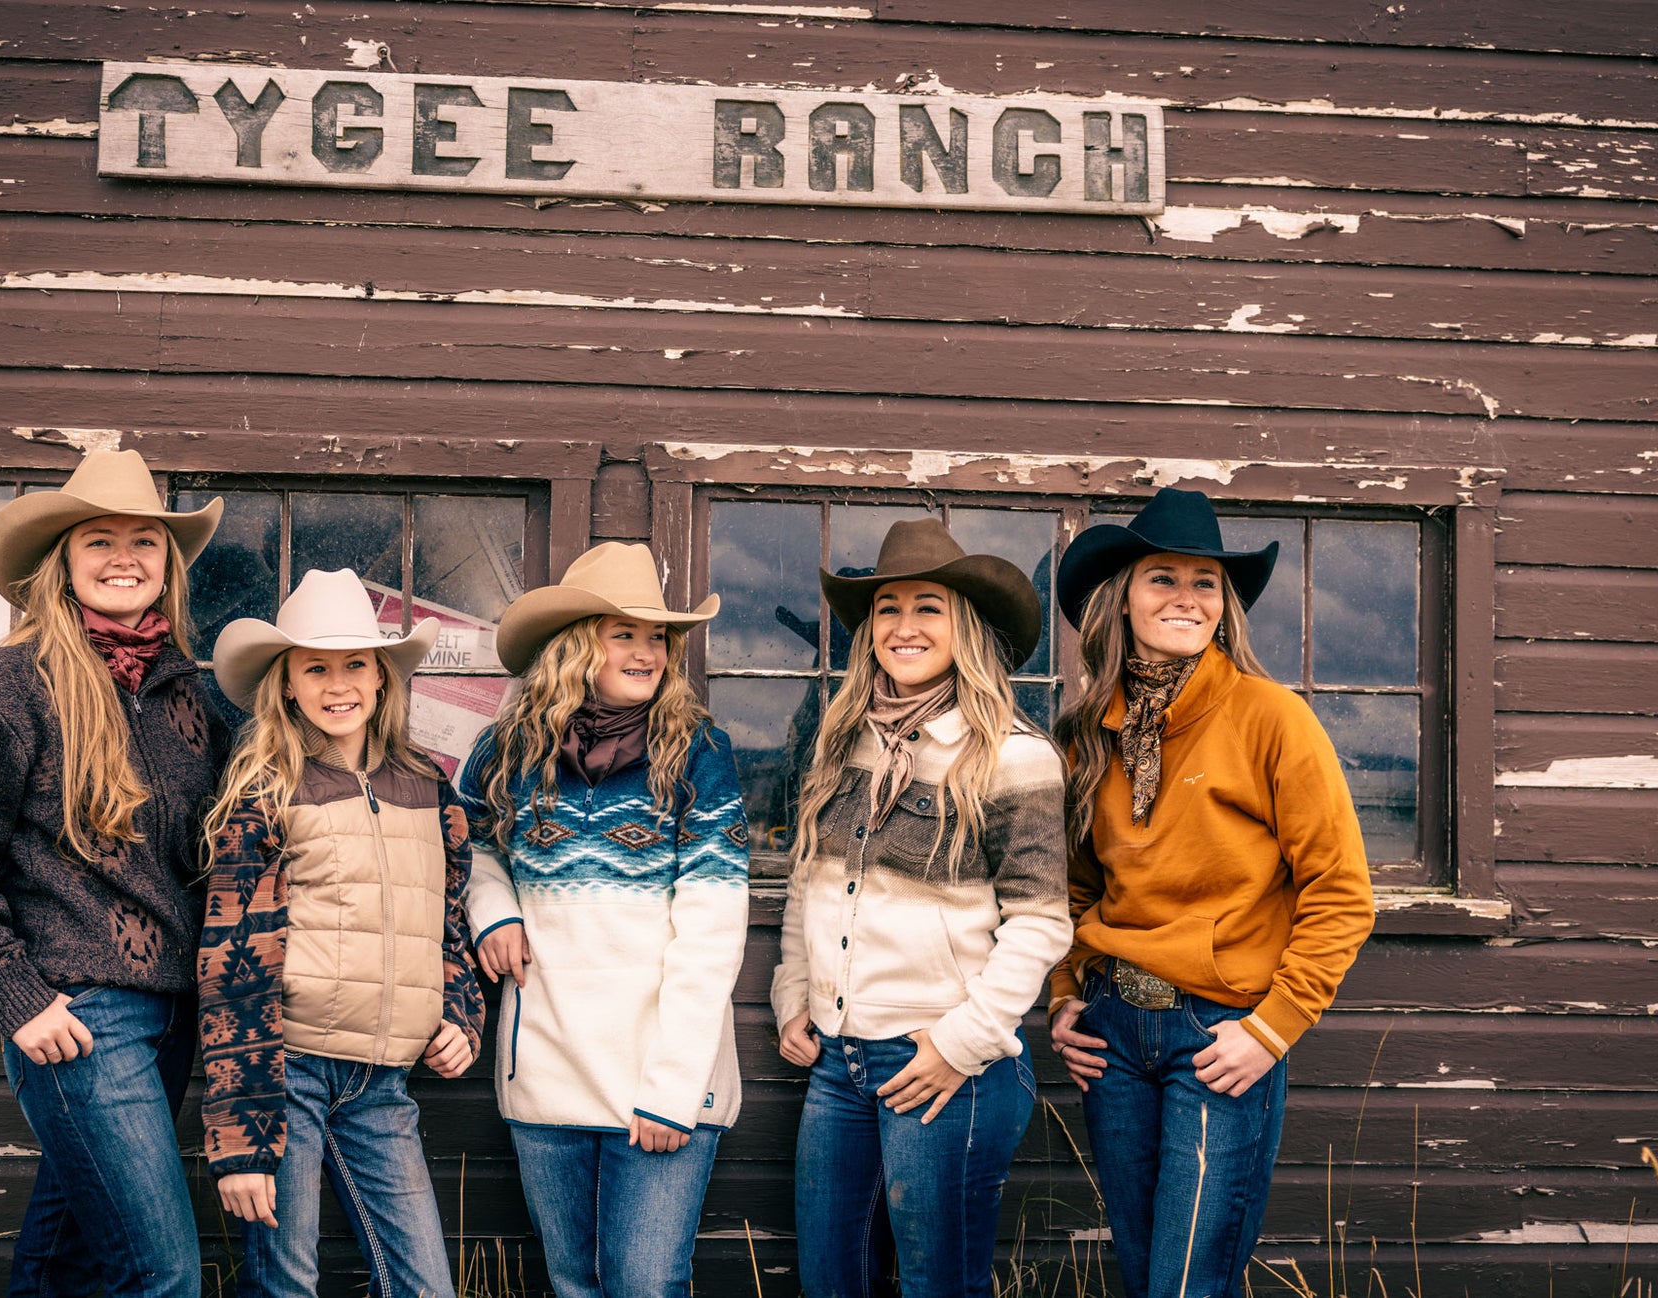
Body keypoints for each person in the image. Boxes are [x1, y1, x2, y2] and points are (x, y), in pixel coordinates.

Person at [0, 449, 228, 1297]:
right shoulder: (10, 684)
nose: (124, 557)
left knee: (68, 1261)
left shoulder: (187, 694)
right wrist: (15, 994)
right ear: (63, 560)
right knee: (161, 1275)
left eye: (144, 542)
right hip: (80, 1019)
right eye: (99, 540)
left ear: (168, 564)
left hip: (171, 1017)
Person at [1044, 487, 1375, 1298]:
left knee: (1187, 1284)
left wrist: (1273, 1029)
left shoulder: (1272, 718)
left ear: (1224, 606)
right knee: (1142, 1268)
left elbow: (1341, 890)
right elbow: (1074, 886)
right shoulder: (1089, 729)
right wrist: (1062, 998)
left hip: (1221, 1033)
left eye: (1204, 582)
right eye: (1162, 578)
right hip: (1112, 1030)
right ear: (1123, 599)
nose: (1185, 598)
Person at [771, 518, 1071, 1298]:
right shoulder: (844, 744)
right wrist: (795, 992)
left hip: (945, 1063)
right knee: (831, 1280)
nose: (904, 627)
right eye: (888, 608)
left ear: (964, 625)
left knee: (938, 1284)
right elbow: (818, 879)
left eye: (927, 607)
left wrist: (960, 1042)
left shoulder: (1012, 753)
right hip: (840, 1061)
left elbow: (1040, 923)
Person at [457, 542, 749, 1298]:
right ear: (577, 642)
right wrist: (493, 910)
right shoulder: (507, 749)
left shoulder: (697, 753)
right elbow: (467, 847)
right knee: (574, 1283)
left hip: (659, 1075)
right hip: (547, 1068)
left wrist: (674, 1086)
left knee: (643, 1285)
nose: (648, 651)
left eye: (658, 637)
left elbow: (714, 927)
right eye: (625, 633)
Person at [198, 567, 484, 1298]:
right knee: (288, 1280)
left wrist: (459, 1011)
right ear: (286, 683)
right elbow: (233, 961)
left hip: (382, 1081)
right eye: (315, 667)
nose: (337, 684)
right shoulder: (264, 790)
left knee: (426, 1286)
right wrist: (242, 1138)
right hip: (285, 1071)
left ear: (383, 677)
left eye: (354, 663)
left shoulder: (428, 789)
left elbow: (448, 919)